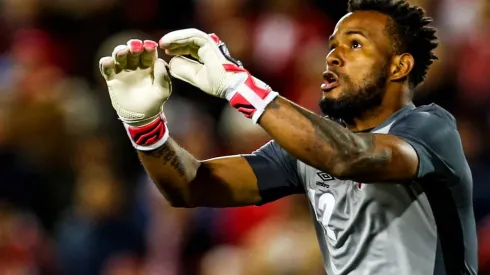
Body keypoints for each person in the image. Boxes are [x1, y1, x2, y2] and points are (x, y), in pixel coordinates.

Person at [98, 0, 478, 274]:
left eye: (355, 44)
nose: (332, 56)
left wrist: (237, 84)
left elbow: (351, 159)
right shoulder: (305, 151)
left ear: (399, 65)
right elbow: (190, 186)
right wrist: (145, 125)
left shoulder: (431, 129)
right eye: (332, 45)